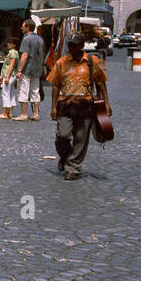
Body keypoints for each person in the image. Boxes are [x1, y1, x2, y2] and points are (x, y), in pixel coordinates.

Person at [46, 33, 111, 181]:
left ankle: (73, 168)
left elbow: (100, 83)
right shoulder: (61, 63)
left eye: (73, 44)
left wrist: (106, 103)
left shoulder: (91, 61)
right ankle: (66, 156)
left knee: (81, 139)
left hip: (85, 105)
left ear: (81, 46)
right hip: (65, 104)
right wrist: (53, 107)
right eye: (69, 44)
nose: (70, 47)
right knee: (62, 136)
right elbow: (56, 85)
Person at [13, 19, 45, 121]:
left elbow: (25, 55)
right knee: (35, 91)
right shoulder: (40, 39)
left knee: (23, 90)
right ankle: (36, 113)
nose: (21, 27)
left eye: (23, 26)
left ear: (28, 27)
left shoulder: (26, 39)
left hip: (27, 69)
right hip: (37, 69)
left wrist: (19, 70)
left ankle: (24, 114)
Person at [0, 37, 20, 119]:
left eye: (10, 43)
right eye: (8, 42)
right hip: (11, 75)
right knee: (11, 93)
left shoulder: (12, 53)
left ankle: (4, 113)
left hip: (10, 75)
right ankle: (10, 113)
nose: (8, 44)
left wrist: (6, 77)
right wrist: (2, 76)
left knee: (5, 93)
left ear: (14, 44)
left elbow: (11, 65)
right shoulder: (14, 52)